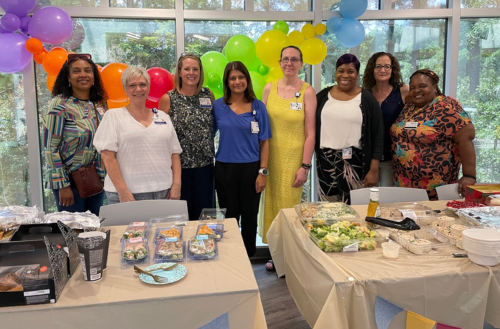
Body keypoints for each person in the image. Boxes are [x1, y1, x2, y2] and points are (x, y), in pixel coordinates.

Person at [258, 46, 316, 271]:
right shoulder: (269, 89)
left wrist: (305, 166)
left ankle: (291, 256)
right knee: (271, 205)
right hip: (270, 158)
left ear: (301, 63)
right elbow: (262, 128)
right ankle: (275, 253)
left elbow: (311, 132)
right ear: (280, 62)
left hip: (293, 159)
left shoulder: (307, 91)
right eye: (285, 59)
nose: (289, 63)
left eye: (294, 59)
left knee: (289, 207)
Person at [93, 67, 182, 204]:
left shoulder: (163, 116)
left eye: (142, 84)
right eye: (132, 85)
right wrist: (122, 191)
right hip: (127, 195)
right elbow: (107, 156)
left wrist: (176, 185)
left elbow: (175, 154)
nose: (138, 89)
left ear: (148, 87)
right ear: (125, 89)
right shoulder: (113, 116)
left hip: (164, 192)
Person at [213, 61, 271, 257]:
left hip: (251, 169)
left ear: (247, 79)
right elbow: (207, 135)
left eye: (241, 77)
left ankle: (247, 258)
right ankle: (231, 258)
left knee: (249, 217)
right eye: (233, 78)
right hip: (224, 169)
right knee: (229, 217)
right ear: (227, 82)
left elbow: (265, 142)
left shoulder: (259, 107)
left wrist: (262, 172)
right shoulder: (218, 106)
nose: (237, 81)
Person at [390, 69, 476, 200]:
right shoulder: (409, 107)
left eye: (422, 86)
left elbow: (466, 138)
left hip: (434, 187)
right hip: (404, 183)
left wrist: (469, 175)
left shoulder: (446, 108)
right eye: (412, 87)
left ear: (434, 87)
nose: (416, 90)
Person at [42, 53, 107, 215]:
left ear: (94, 76)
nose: (83, 75)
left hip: (96, 179)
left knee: (94, 230)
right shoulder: (59, 104)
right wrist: (63, 185)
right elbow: (50, 148)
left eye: (87, 70)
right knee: (73, 233)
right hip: (70, 182)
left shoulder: (99, 103)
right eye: (77, 71)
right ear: (68, 78)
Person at [315, 54, 383, 204]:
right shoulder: (322, 96)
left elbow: (378, 135)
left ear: (357, 74)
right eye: (341, 70)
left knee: (354, 207)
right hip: (325, 161)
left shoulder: (367, 99)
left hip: (355, 162)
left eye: (350, 71)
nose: (345, 75)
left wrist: (374, 170)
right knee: (327, 207)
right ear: (336, 73)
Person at [158, 53, 215, 221]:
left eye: (195, 69)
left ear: (200, 72)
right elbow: (160, 134)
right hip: (178, 169)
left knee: (204, 216)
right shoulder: (168, 99)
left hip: (205, 167)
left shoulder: (208, 95)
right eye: (187, 69)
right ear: (180, 72)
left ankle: (203, 246)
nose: (192, 73)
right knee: (180, 217)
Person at [363, 52, 409, 187]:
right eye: (378, 66)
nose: (382, 70)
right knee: (368, 199)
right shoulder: (365, 94)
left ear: (393, 69)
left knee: (388, 201)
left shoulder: (403, 91)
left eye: (387, 66)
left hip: (393, 158)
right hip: (369, 158)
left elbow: (425, 103)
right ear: (372, 69)